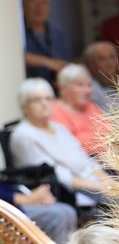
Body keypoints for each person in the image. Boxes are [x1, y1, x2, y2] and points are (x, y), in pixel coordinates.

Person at [9, 79, 112, 208]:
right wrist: (98, 187)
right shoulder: (23, 135)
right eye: (36, 100)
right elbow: (56, 175)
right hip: (70, 192)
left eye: (48, 98)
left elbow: (85, 159)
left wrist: (107, 180)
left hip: (92, 183)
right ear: (24, 106)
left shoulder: (59, 128)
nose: (44, 104)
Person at [51, 64, 112, 157]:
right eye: (80, 85)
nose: (87, 91)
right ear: (63, 88)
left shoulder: (92, 107)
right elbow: (69, 146)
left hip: (107, 159)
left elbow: (111, 135)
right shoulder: (55, 111)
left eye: (89, 85)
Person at [22, 0, 71, 88]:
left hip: (56, 92)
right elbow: (14, 56)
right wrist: (47, 62)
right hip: (29, 92)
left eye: (44, 2)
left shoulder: (58, 33)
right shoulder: (16, 33)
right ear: (23, 4)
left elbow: (65, 63)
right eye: (33, 1)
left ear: (49, 5)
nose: (39, 7)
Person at [0, 181, 76, 244]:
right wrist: (27, 198)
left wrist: (34, 195)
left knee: (68, 210)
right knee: (58, 215)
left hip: (14, 195)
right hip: (8, 207)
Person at [83, 41, 119, 114]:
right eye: (101, 59)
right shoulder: (88, 91)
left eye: (112, 57)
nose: (109, 63)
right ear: (91, 64)